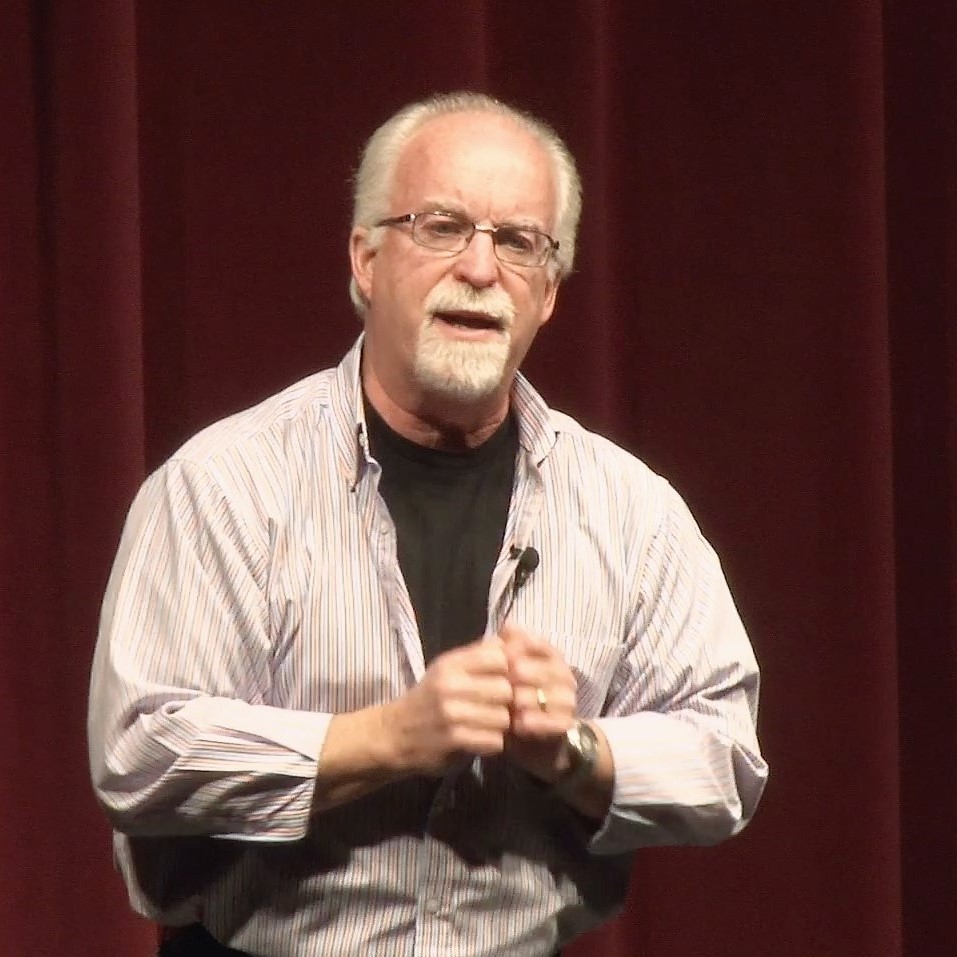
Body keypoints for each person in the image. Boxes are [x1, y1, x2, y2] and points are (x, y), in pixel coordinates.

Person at [88, 91, 768, 957]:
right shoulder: (223, 486)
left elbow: (725, 762)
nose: (480, 269)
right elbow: (139, 751)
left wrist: (573, 752)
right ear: (365, 258)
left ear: (549, 292)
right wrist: (390, 736)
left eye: (519, 242)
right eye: (441, 226)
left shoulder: (633, 513)